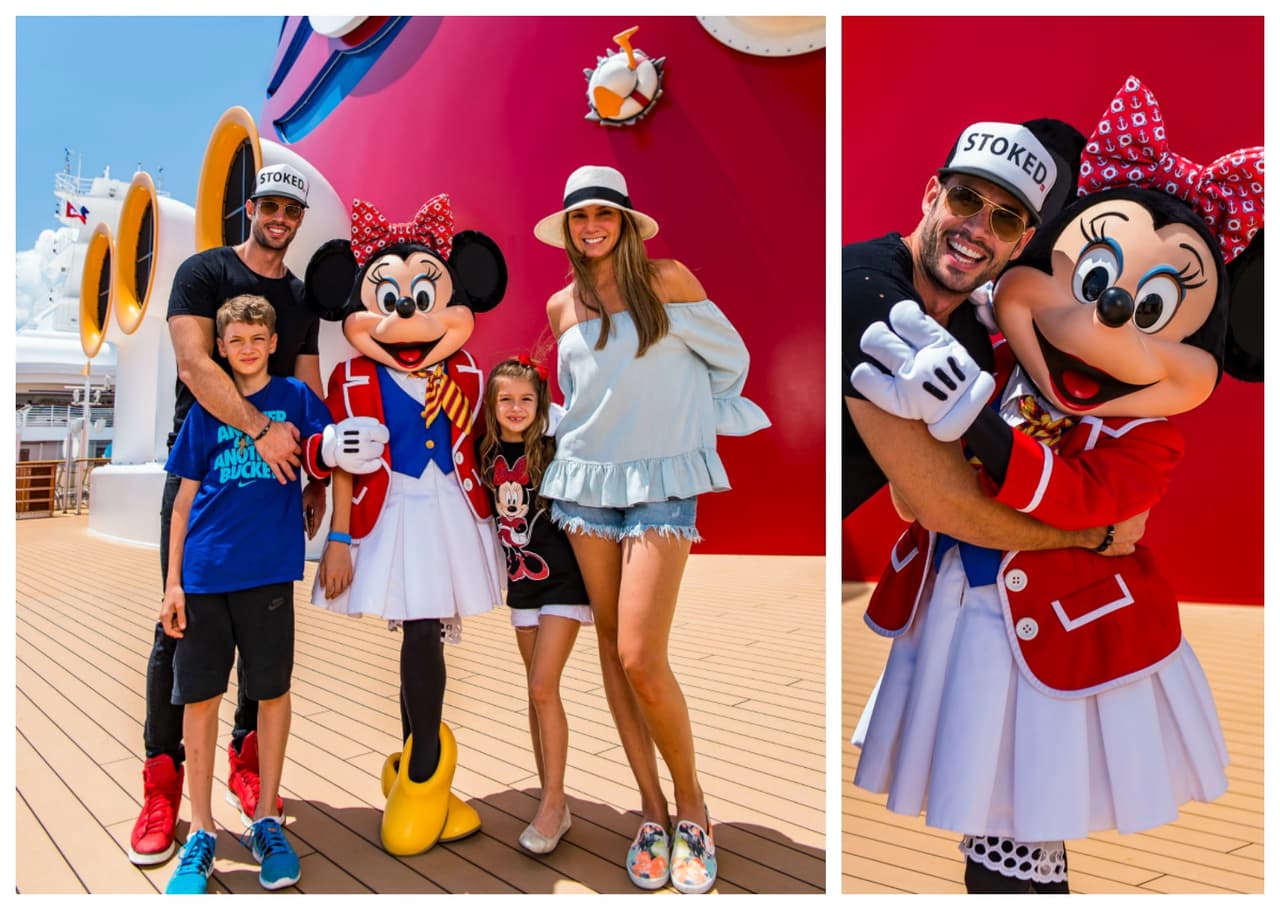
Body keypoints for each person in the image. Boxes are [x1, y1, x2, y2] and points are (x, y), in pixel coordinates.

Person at [132, 163, 384, 866]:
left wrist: (312, 472)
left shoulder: (298, 297)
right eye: (270, 205)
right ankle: (163, 784)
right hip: (204, 473)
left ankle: (247, 766)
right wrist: (260, 429)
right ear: (251, 207)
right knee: (178, 633)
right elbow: (194, 365)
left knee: (261, 640)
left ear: (298, 219)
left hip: (275, 480)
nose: (280, 217)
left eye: (291, 210)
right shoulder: (203, 273)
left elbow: (306, 382)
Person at [534, 165, 770, 893]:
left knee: (640, 653)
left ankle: (693, 804)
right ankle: (651, 808)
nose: (591, 227)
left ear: (626, 223)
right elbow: (577, 395)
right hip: (586, 485)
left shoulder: (668, 281)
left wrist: (686, 422)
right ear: (567, 229)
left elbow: (730, 360)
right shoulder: (561, 305)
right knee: (610, 645)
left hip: (662, 481)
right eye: (579, 217)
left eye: (603, 214)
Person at [840, 119, 1149, 551]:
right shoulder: (862, 289)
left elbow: (909, 498)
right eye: (966, 199)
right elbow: (938, 504)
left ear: (1020, 245)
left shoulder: (972, 345)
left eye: (1004, 222)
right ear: (931, 196)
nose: (978, 230)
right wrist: (1093, 536)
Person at [308, 194, 507, 856]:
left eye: (423, 299)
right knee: (418, 634)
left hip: (448, 511)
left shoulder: (469, 372)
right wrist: (339, 540)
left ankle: (420, 775)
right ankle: (422, 776)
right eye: (389, 302)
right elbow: (348, 460)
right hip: (388, 514)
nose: (406, 319)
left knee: (423, 633)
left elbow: (487, 438)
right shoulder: (350, 377)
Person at [159, 295, 332, 892]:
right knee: (201, 699)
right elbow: (182, 503)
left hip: (268, 576)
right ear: (221, 349)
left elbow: (329, 451)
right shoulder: (207, 410)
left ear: (274, 342)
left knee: (272, 692)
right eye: (236, 340)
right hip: (205, 577)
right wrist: (173, 584)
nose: (248, 349)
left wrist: (319, 491)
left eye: (258, 338)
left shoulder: (296, 397)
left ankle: (265, 818)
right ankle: (202, 830)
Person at [478, 355, 592, 855]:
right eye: (505, 399)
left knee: (543, 684)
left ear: (541, 403)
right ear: (491, 405)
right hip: (521, 584)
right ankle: (553, 798)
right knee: (536, 691)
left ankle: (553, 802)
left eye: (526, 399)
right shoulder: (484, 451)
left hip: (564, 579)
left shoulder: (553, 446)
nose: (516, 408)